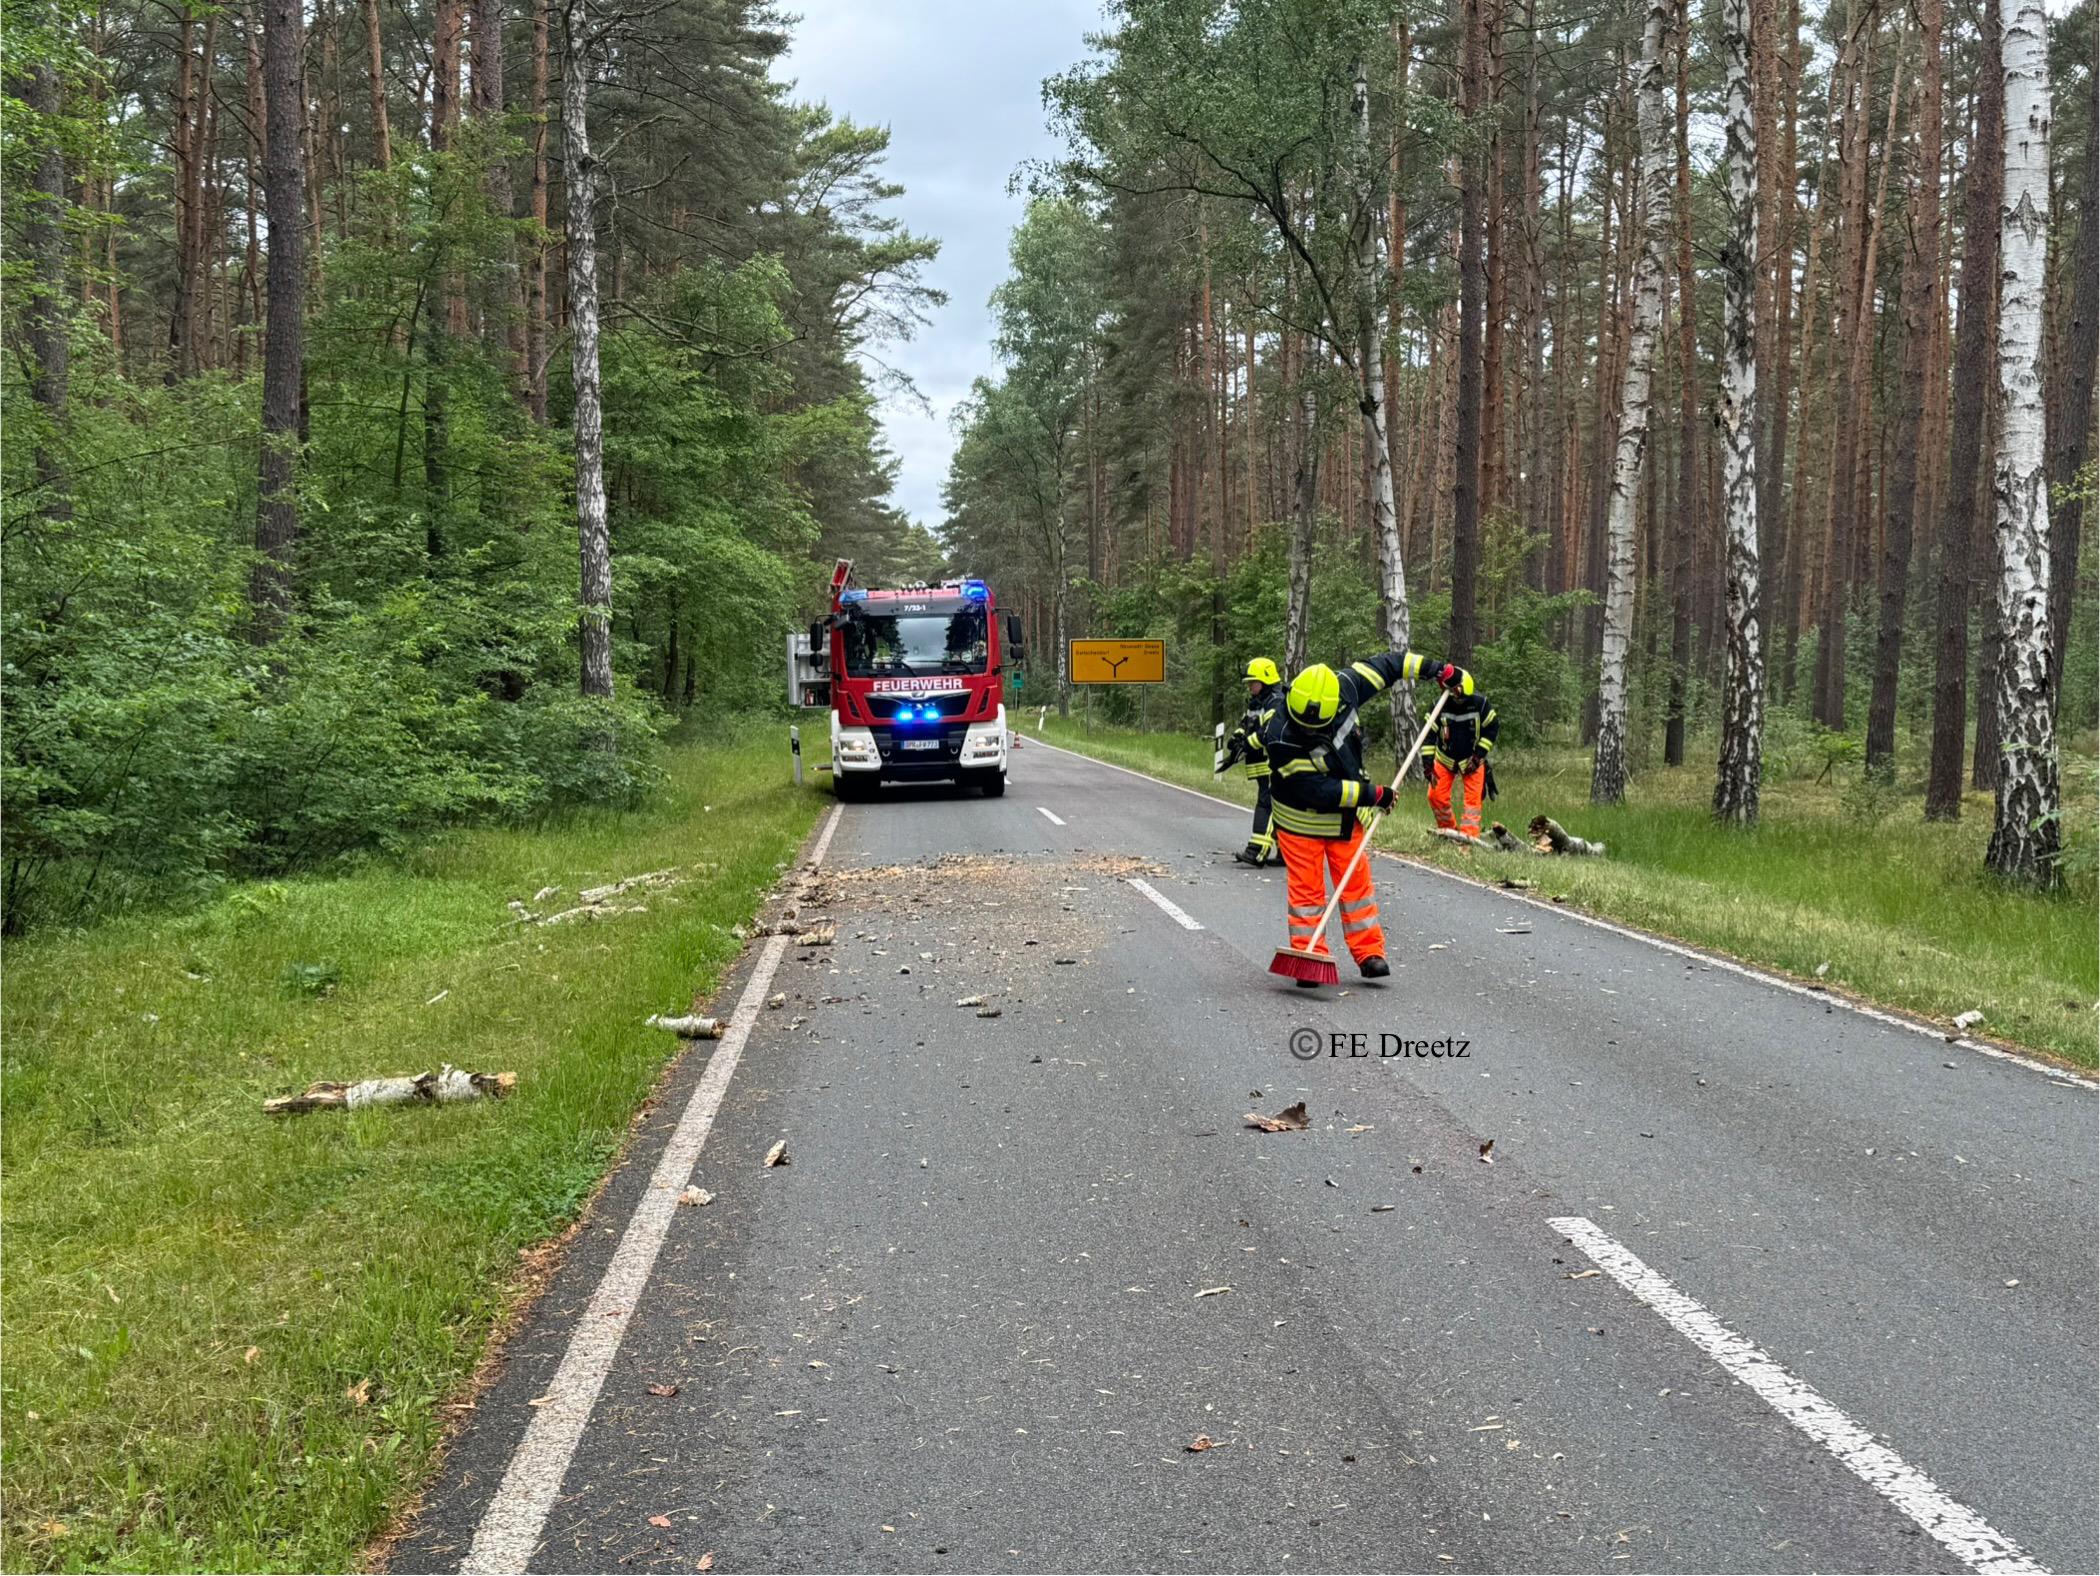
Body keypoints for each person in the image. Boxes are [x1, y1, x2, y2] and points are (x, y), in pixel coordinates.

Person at [1264, 651, 1471, 984]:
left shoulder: (1347, 686)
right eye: (1304, 725)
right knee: (1307, 893)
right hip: (1299, 822)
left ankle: (1370, 953)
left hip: (1345, 819)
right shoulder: (1280, 736)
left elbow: (1391, 665)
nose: (1308, 731)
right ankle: (1308, 954)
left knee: (1356, 886)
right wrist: (1373, 795)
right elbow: (1318, 791)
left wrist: (1438, 671)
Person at [1420, 671, 1499, 840]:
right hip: (1444, 759)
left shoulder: (1481, 704)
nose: (1455, 697)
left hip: (1472, 761)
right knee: (1435, 796)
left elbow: (1492, 728)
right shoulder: (1438, 706)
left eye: (1457, 691)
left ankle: (1468, 840)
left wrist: (1479, 755)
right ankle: (1448, 832)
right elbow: (1428, 735)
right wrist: (1427, 764)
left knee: (1472, 804)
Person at [1221, 657, 1283, 865]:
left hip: (1273, 764)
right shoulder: (1257, 702)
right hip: (1261, 764)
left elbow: (1268, 732)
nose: (1249, 686)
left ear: (1265, 680)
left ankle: (1256, 851)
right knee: (1277, 806)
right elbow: (1247, 723)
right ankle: (1285, 853)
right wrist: (1236, 738)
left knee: (1267, 805)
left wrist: (1247, 744)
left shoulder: (1276, 701)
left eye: (1252, 682)